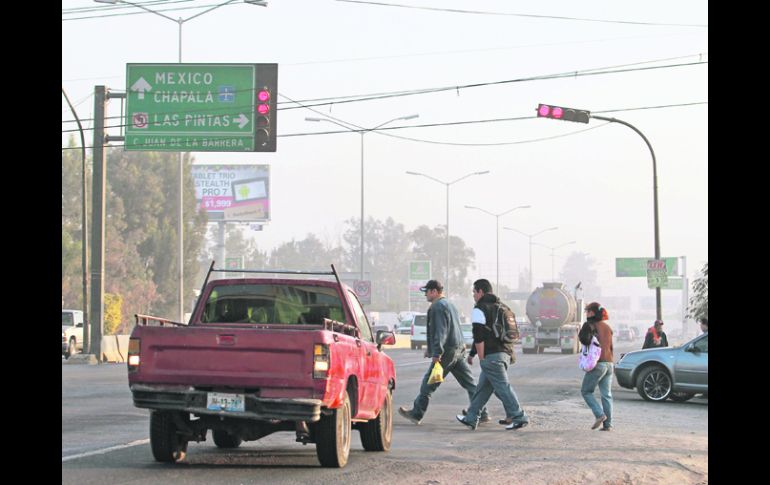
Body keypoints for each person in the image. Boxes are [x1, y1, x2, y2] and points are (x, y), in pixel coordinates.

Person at [399, 280, 488, 425]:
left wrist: (437, 353)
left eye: (427, 292)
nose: (426, 295)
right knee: (470, 383)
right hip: (458, 349)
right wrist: (431, 348)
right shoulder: (449, 304)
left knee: (428, 383)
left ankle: (416, 413)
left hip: (446, 352)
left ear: (434, 291)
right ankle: (482, 412)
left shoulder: (438, 307)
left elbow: (441, 331)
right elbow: (453, 328)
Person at [456, 279, 529, 431]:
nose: (474, 296)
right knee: (482, 389)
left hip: (491, 356)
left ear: (480, 291)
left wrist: (481, 358)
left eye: (474, 292)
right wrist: (473, 354)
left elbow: (479, 335)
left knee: (503, 387)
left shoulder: (479, 308)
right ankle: (471, 417)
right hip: (506, 354)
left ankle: (518, 416)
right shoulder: (502, 306)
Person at [580, 302, 614, 431]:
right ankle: (608, 425)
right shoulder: (607, 327)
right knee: (607, 395)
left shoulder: (589, 325)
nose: (587, 313)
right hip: (609, 363)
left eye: (588, 311)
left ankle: (599, 415)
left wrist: (586, 329)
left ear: (593, 313)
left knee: (586, 391)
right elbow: (610, 347)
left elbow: (584, 340)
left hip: (598, 364)